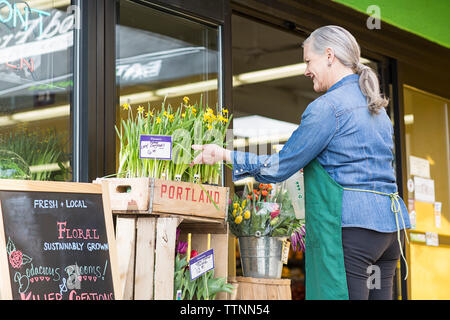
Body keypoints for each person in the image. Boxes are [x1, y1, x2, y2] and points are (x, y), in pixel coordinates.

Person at [190, 25, 410, 300]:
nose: (306, 70)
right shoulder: (376, 109)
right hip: (389, 230)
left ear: (329, 55)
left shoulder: (328, 107)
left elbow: (280, 166)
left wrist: (225, 155)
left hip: (350, 228)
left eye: (308, 61)